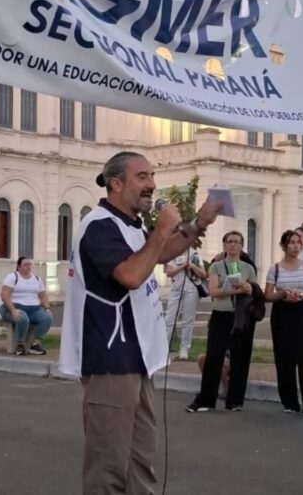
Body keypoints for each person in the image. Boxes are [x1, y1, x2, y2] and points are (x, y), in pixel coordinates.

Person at [59, 151, 221, 494]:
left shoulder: (130, 225)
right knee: (109, 467)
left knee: (140, 461)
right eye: (142, 177)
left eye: (152, 176)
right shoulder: (99, 226)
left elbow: (159, 253)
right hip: (111, 362)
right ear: (116, 184)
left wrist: (199, 223)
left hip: (138, 359)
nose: (152, 184)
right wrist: (161, 228)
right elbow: (131, 275)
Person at [186, 230, 260, 413]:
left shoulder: (248, 269)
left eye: (236, 242)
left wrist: (248, 288)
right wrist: (234, 290)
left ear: (242, 246)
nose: (233, 245)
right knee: (214, 356)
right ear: (224, 245)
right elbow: (213, 291)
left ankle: (235, 400)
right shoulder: (216, 267)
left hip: (241, 317)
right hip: (221, 314)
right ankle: (206, 399)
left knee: (240, 358)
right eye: (230, 241)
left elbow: (254, 292)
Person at [265, 229, 303, 417]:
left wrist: (301, 294)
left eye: (298, 242)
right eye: (291, 242)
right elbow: (268, 295)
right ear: (283, 246)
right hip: (282, 313)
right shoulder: (275, 269)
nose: (296, 246)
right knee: (284, 357)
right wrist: (282, 294)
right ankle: (289, 401)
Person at [0, 256, 52, 356]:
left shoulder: (36, 279)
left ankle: (35, 344)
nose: (28, 267)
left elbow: (43, 295)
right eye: (25, 265)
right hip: (13, 307)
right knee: (22, 318)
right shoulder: (13, 277)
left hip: (34, 309)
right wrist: (13, 310)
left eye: (29, 264)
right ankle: (20, 344)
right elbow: (4, 295)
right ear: (19, 266)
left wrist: (47, 308)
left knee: (47, 318)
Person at [164, 248, 206, 360]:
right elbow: (169, 272)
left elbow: (203, 274)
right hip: (176, 290)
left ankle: (184, 348)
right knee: (169, 320)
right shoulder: (173, 253)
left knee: (188, 321)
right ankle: (164, 347)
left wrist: (192, 266)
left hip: (191, 290)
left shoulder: (195, 255)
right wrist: (182, 266)